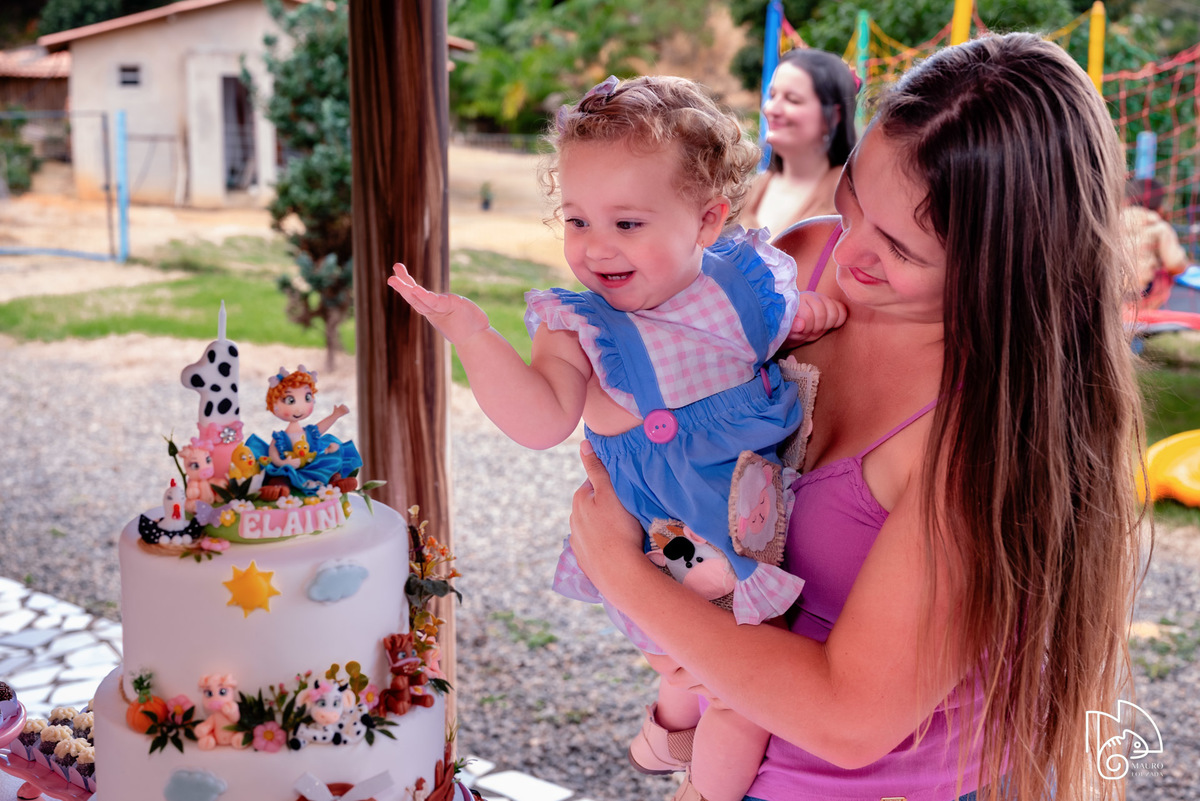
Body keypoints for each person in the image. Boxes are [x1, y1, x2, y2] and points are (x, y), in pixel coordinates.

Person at [568, 33, 1145, 801]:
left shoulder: (979, 436)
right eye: (853, 202)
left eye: (902, 250)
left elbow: (850, 718)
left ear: (1007, 268)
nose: (851, 254)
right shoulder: (801, 261)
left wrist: (618, 570)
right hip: (732, 753)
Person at [389, 74, 847, 801]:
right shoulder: (582, 329)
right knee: (740, 696)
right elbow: (539, 421)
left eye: (626, 223)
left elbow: (783, 327)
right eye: (577, 221)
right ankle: (704, 787)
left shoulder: (741, 285)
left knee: (712, 675)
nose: (596, 247)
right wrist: (474, 337)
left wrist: (808, 313)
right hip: (673, 555)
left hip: (757, 525)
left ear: (707, 221)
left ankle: (665, 731)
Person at [741, 48, 859, 238]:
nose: (771, 109)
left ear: (833, 116)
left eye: (792, 100)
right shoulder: (746, 192)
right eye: (772, 95)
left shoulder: (852, 203)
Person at [245, 366, 361, 496]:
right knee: (279, 475)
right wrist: (283, 463)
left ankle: (336, 481)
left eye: (307, 398)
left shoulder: (310, 433)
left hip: (312, 466)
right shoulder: (279, 438)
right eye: (290, 400)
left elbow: (321, 428)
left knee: (331, 461)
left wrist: (335, 415)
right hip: (289, 469)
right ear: (274, 405)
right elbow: (273, 455)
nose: (299, 409)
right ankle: (279, 488)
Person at [1122, 177, 1188, 309]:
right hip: (1142, 292)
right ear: (1159, 204)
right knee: (1165, 273)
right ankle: (1148, 312)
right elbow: (1175, 264)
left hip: (1112, 291)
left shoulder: (1114, 224)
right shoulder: (1159, 227)